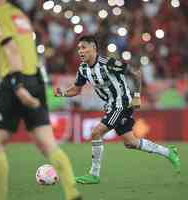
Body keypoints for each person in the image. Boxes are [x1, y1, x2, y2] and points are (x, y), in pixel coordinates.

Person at [0, 1, 81, 200]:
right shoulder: (19, 15)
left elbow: (11, 49)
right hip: (36, 78)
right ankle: (72, 193)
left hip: (15, 79)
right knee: (47, 144)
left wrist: (18, 86)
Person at [54, 35, 180, 184]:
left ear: (93, 48)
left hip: (121, 104)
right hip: (111, 105)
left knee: (96, 132)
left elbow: (136, 73)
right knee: (130, 142)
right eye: (79, 49)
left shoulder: (108, 63)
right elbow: (76, 90)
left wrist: (137, 96)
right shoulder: (83, 69)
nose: (80, 51)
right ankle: (169, 152)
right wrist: (62, 93)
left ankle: (93, 174)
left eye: (84, 47)